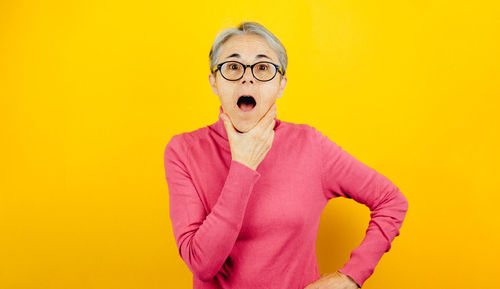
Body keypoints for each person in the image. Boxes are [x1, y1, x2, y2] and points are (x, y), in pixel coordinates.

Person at [163, 21, 409, 289]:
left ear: (281, 85)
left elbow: (391, 200)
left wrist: (351, 276)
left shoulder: (310, 145)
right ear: (214, 82)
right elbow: (202, 264)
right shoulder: (184, 150)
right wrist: (243, 166)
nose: (247, 77)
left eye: (263, 68)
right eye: (233, 67)